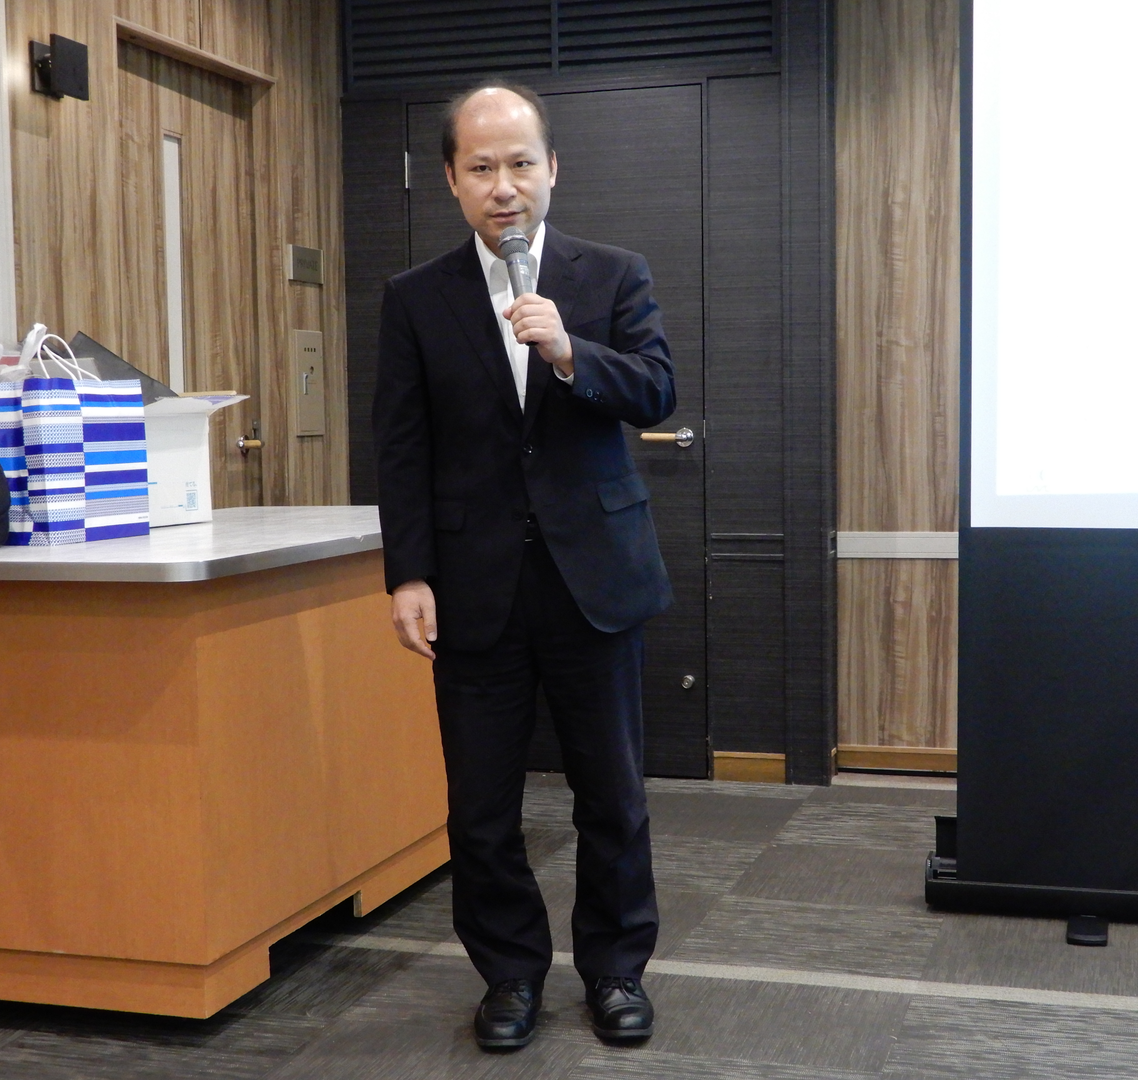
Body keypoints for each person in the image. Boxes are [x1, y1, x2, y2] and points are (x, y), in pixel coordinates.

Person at [373, 81, 676, 1050]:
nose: (502, 185)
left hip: (595, 582)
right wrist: (408, 574)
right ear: (453, 181)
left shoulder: (612, 275)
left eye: (519, 164)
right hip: (475, 588)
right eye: (481, 167)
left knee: (613, 796)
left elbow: (657, 390)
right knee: (481, 808)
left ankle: (616, 970)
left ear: (552, 169)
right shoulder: (415, 299)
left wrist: (570, 351)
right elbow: (402, 447)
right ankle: (509, 976)